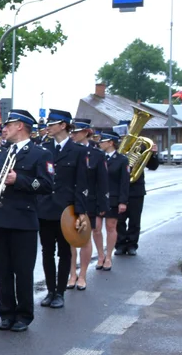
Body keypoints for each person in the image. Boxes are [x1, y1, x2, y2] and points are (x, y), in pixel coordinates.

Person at [0, 110, 53, 332]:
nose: (4, 128)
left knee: (23, 271)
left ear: (21, 126)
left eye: (9, 124)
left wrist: (20, 180)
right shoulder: (2, 153)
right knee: (3, 271)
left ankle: (24, 315)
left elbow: (46, 185)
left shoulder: (39, 154)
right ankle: (6, 313)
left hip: (23, 219)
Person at [36, 109, 88, 309]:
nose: (48, 126)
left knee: (65, 252)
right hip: (45, 208)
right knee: (47, 251)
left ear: (63, 125)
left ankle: (60, 292)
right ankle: (50, 291)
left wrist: (81, 212)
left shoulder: (78, 151)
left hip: (66, 210)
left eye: (53, 123)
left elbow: (81, 184)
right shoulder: (44, 148)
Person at [67, 119, 107, 291]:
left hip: (88, 201)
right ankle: (71, 274)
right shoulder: (68, 151)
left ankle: (82, 275)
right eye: (72, 132)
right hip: (69, 201)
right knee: (70, 240)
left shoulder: (97, 155)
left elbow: (102, 182)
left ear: (87, 133)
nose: (73, 135)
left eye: (77, 132)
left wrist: (102, 206)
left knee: (84, 239)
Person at [116, 132, 159, 256]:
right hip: (118, 189)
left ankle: (132, 245)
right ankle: (120, 244)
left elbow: (153, 166)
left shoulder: (141, 148)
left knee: (135, 220)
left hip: (136, 189)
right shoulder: (118, 149)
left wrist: (153, 154)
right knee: (120, 220)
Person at [95, 132, 129, 271]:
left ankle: (108, 256)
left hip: (113, 198)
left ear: (111, 143)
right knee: (96, 228)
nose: (99, 143)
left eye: (103, 141)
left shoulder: (122, 160)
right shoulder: (97, 157)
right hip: (97, 198)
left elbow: (124, 182)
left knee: (111, 227)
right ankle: (100, 256)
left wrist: (123, 201)